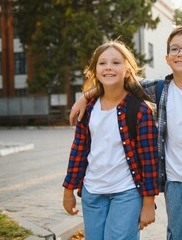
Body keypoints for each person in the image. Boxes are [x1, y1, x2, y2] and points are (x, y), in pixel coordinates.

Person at [69, 25, 182, 240]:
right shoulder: (158, 90)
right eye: (175, 49)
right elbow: (120, 80)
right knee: (177, 234)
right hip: (174, 183)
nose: (181, 53)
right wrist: (85, 97)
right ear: (167, 58)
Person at [62, 40, 159, 240]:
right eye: (102, 63)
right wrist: (68, 191)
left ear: (128, 70)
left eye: (116, 62)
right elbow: (78, 152)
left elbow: (150, 162)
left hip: (127, 192)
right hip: (92, 192)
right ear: (94, 70)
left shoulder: (140, 110)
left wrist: (149, 204)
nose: (108, 67)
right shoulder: (87, 109)